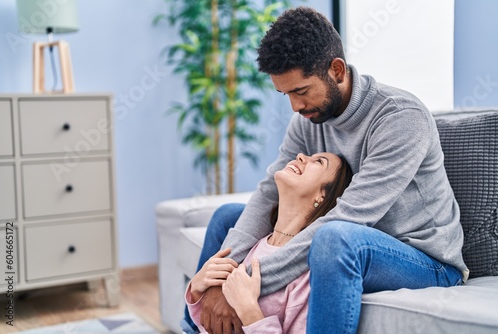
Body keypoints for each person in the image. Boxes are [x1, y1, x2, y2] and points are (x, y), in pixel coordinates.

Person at [182, 6, 469, 334]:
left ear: (337, 70)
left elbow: (349, 219)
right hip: (349, 238)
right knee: (227, 216)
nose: (295, 106)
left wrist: (241, 285)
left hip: (422, 258)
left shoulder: (400, 118)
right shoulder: (306, 121)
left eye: (301, 91)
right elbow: (268, 193)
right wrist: (217, 281)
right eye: (285, 93)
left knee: (336, 238)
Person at [185, 152, 353, 333]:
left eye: (319, 162)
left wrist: (249, 311)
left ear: (322, 195)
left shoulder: (307, 275)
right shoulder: (252, 245)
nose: (301, 155)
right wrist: (196, 289)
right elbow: (212, 325)